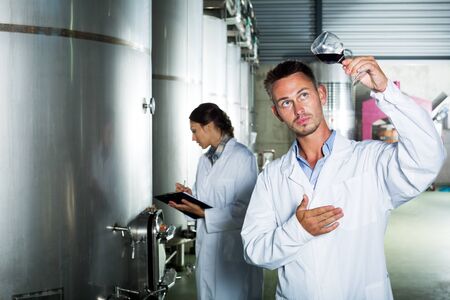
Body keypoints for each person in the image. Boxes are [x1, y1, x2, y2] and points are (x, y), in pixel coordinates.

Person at [241, 57, 446, 299]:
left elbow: (428, 157)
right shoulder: (272, 177)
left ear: (321, 94)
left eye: (304, 95)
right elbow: (254, 250)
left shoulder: (370, 160)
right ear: (277, 113)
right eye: (286, 103)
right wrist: (298, 230)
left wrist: (385, 91)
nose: (298, 110)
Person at [169, 103, 263, 300]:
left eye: (195, 131)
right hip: (207, 250)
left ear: (209, 126)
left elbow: (247, 210)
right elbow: (207, 199)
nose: (193, 138)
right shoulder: (204, 161)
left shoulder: (242, 157)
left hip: (232, 253)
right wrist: (189, 197)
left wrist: (205, 213)